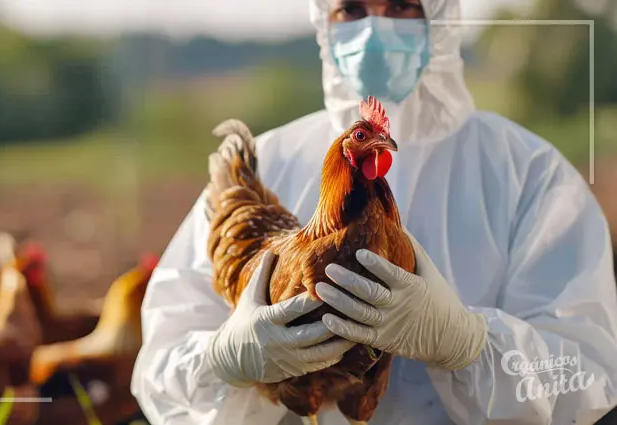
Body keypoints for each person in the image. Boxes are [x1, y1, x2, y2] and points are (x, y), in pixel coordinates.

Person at [130, 0, 617, 423]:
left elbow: (586, 376)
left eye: (403, 6)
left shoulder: (530, 175)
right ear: (325, 21)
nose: (376, 30)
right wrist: (223, 361)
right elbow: (159, 372)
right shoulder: (268, 164)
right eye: (352, 9)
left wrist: (469, 345)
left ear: (442, 17)